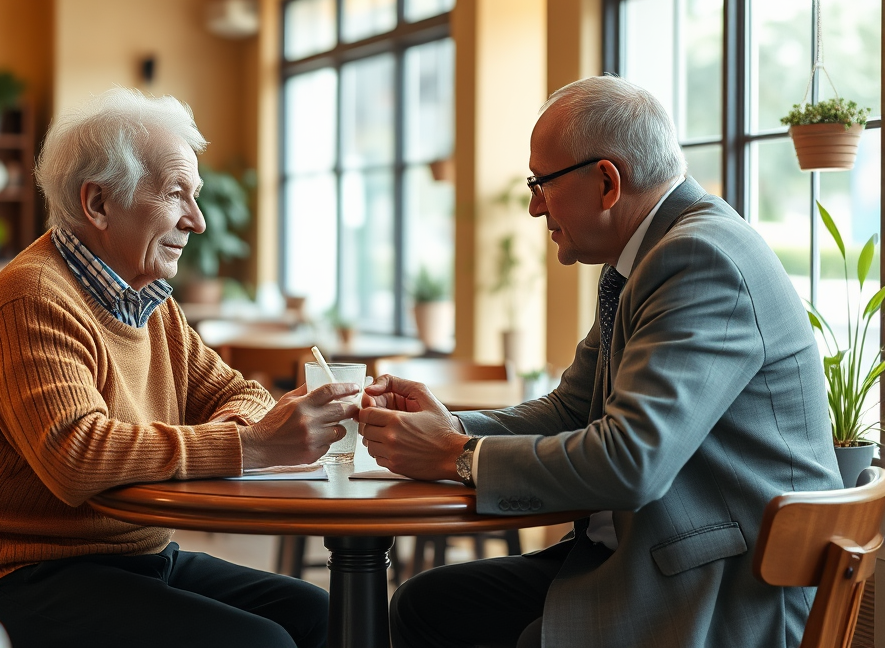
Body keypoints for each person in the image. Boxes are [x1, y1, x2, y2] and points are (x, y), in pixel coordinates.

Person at [358, 76, 841, 648]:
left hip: (724, 589)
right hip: (658, 557)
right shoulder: (639, 260)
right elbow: (572, 409)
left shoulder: (699, 259)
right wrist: (454, 427)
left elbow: (631, 462)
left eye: (541, 184)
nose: (535, 206)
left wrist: (456, 456)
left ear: (607, 182)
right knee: (427, 604)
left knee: (478, 621)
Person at [0, 87, 357, 648]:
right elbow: (76, 456)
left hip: (131, 555)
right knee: (261, 642)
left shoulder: (148, 300)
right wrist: (250, 447)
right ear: (98, 204)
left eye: (195, 196)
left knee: (322, 613)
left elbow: (243, 393)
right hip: (18, 573)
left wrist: (246, 432)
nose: (197, 221)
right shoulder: (32, 297)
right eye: (177, 194)